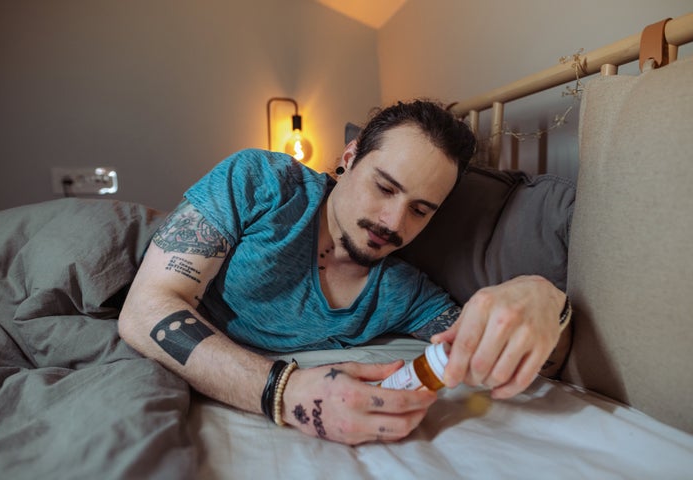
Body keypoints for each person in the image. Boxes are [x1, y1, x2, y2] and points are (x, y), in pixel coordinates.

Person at [119, 100, 571, 446]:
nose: (393, 223)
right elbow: (145, 310)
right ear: (350, 157)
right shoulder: (261, 181)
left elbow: (515, 357)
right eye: (384, 187)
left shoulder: (403, 294)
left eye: (419, 210)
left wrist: (545, 299)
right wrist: (286, 392)